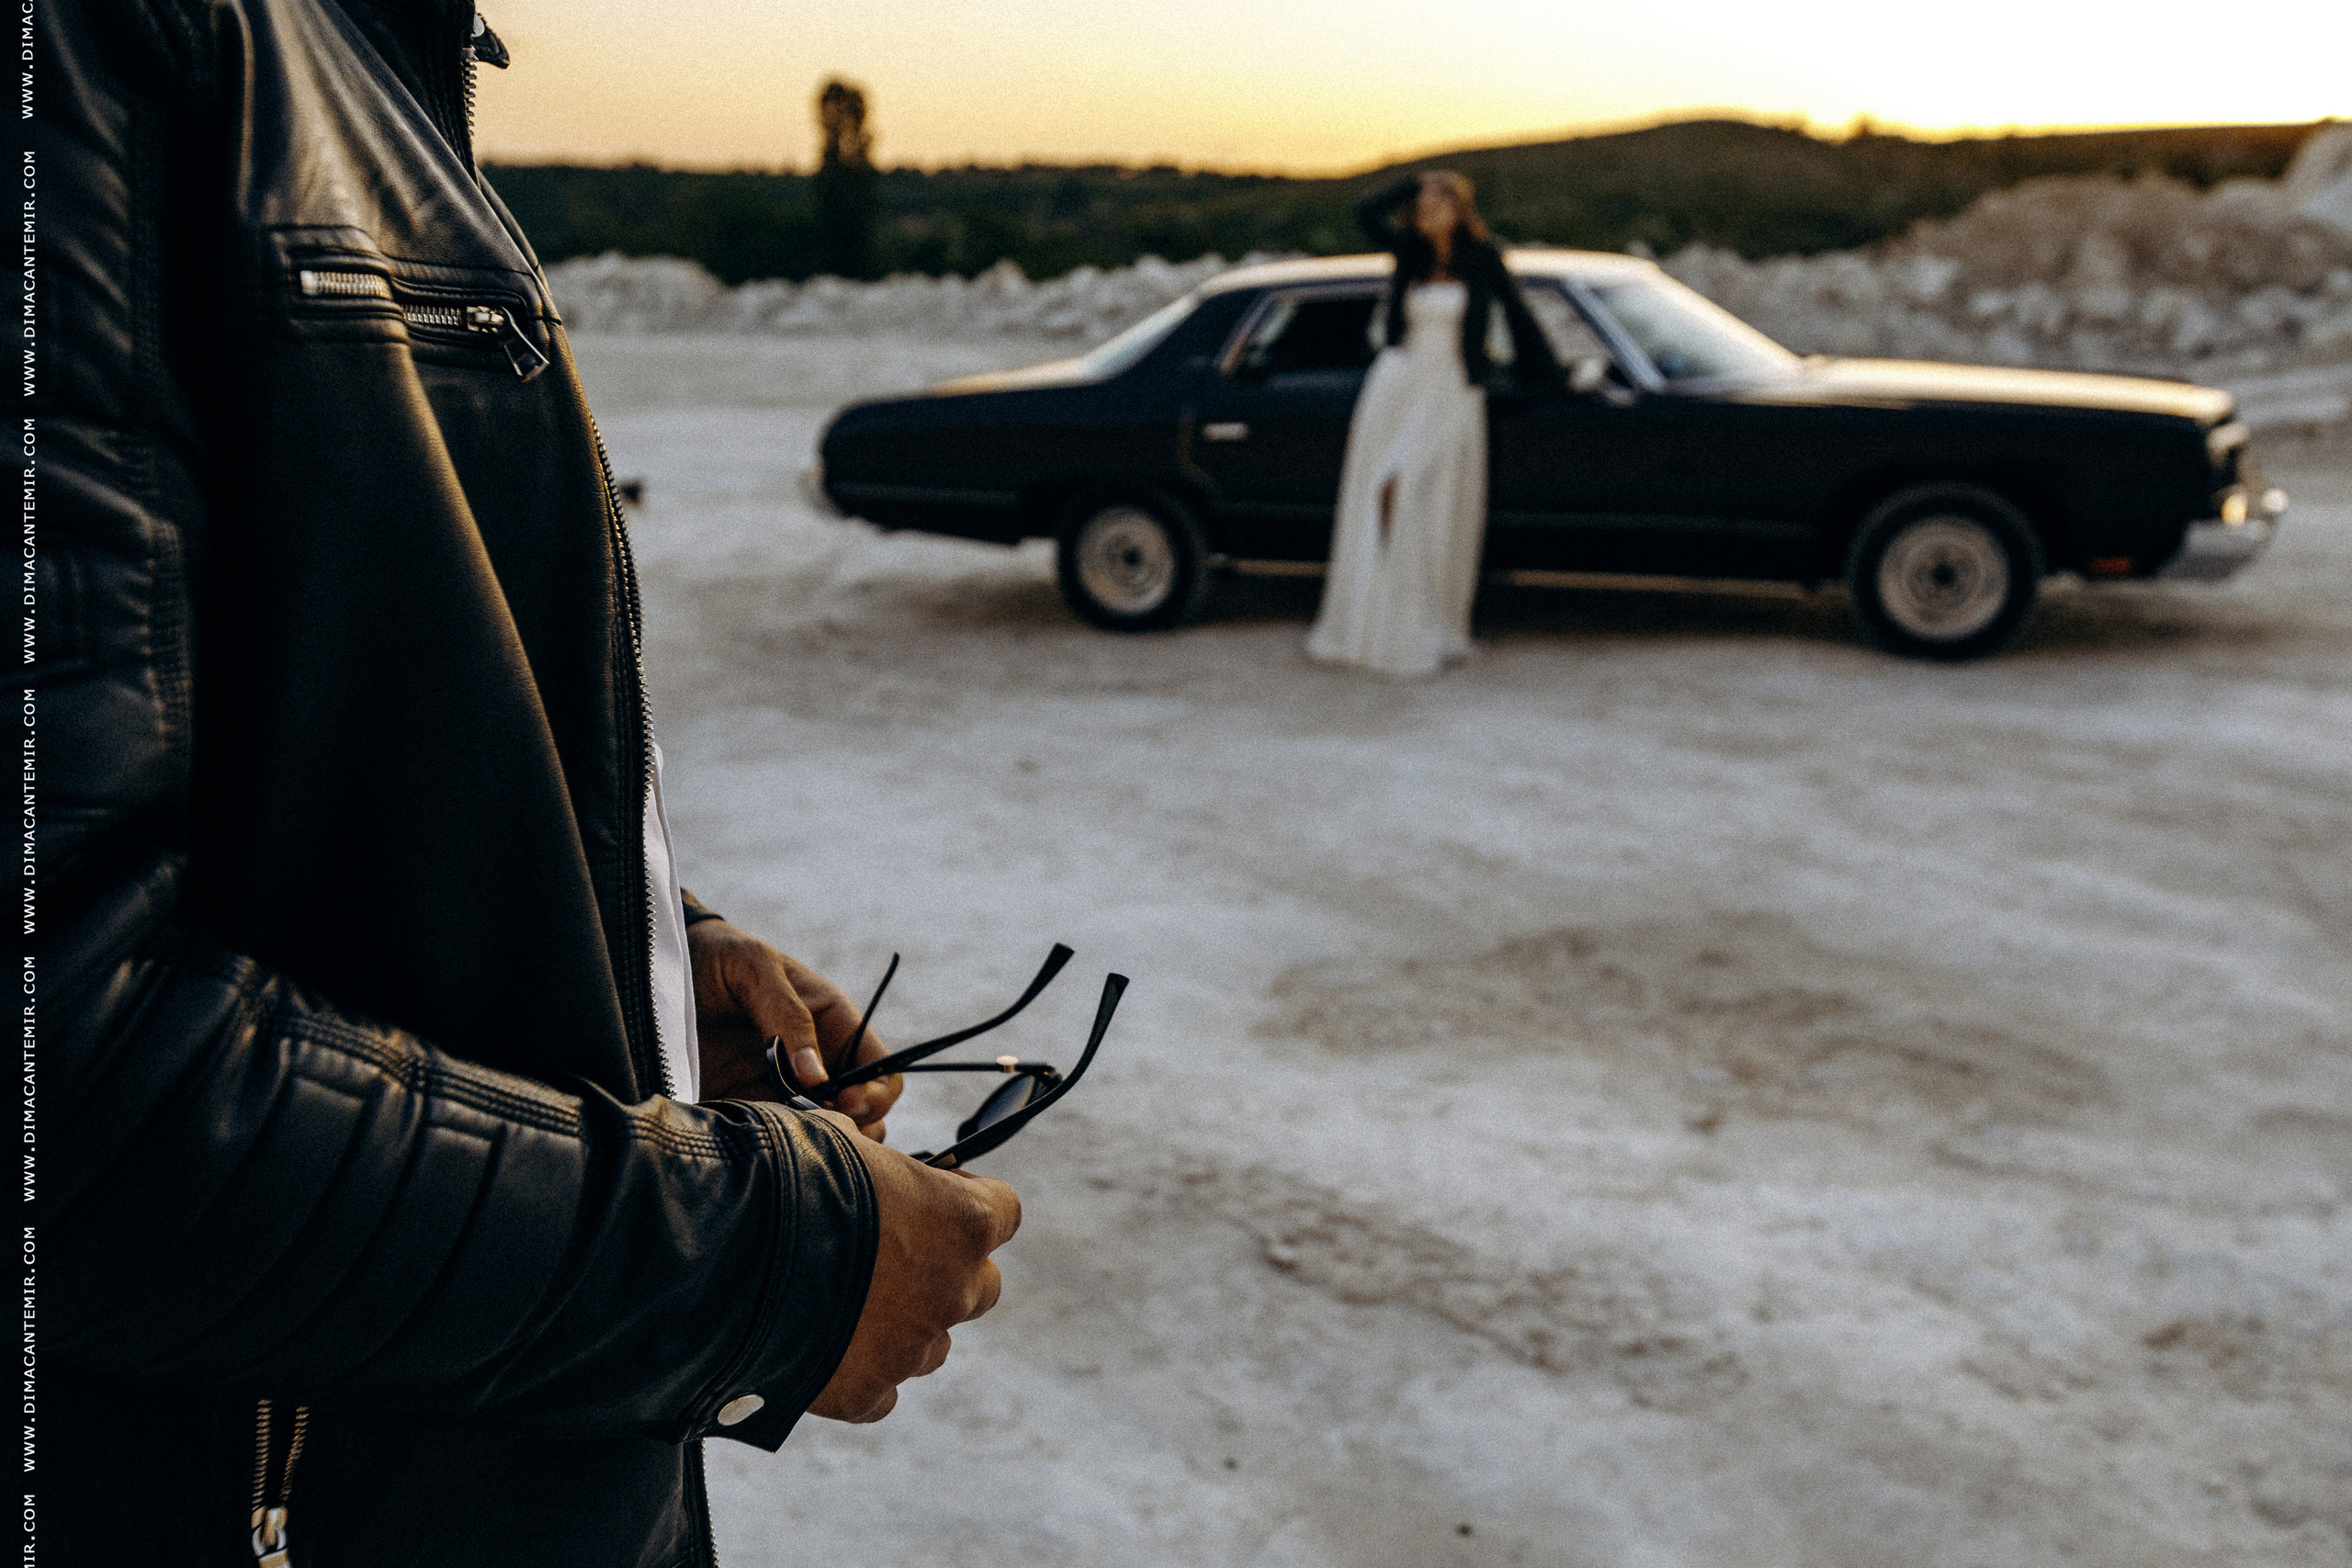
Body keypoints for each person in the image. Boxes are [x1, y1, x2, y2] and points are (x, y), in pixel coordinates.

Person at [36, 4, 1017, 1564]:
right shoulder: (113, 46)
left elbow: (294, 718)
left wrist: (627, 945)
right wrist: (770, 1261)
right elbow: (64, 1080)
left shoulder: (358, 54)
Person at [1306, 171, 1563, 677]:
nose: (1425, 213)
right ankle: (1379, 619)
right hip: (1396, 384)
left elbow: (1517, 312)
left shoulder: (1484, 258)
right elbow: (1363, 214)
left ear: (1457, 208)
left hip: (1452, 387)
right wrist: (1414, 180)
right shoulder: (1408, 252)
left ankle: (1424, 619)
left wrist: (1548, 375)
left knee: (1430, 501)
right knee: (1382, 488)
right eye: (1420, 207)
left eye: (1435, 204)